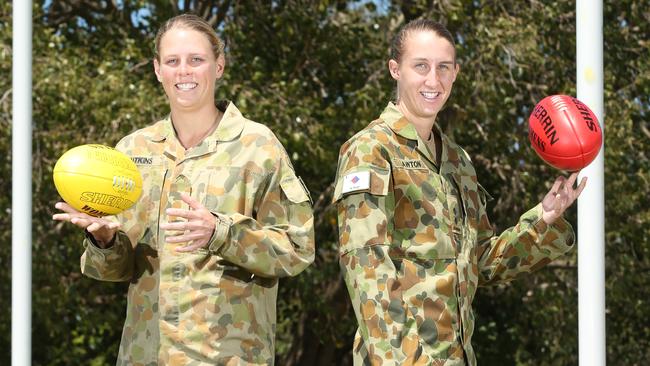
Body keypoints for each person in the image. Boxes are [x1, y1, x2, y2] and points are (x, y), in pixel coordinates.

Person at [53, 13, 315, 365]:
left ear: (218, 66)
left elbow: (297, 249)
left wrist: (220, 232)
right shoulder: (132, 152)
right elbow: (115, 271)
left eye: (196, 60)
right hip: (145, 356)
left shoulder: (258, 146)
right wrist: (104, 241)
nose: (184, 71)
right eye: (173, 61)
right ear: (158, 70)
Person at [332, 19, 586, 365]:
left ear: (455, 73)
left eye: (443, 68)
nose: (432, 80)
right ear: (395, 69)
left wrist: (544, 218)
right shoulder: (372, 150)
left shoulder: (458, 161)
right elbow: (366, 267)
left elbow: (480, 261)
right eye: (420, 66)